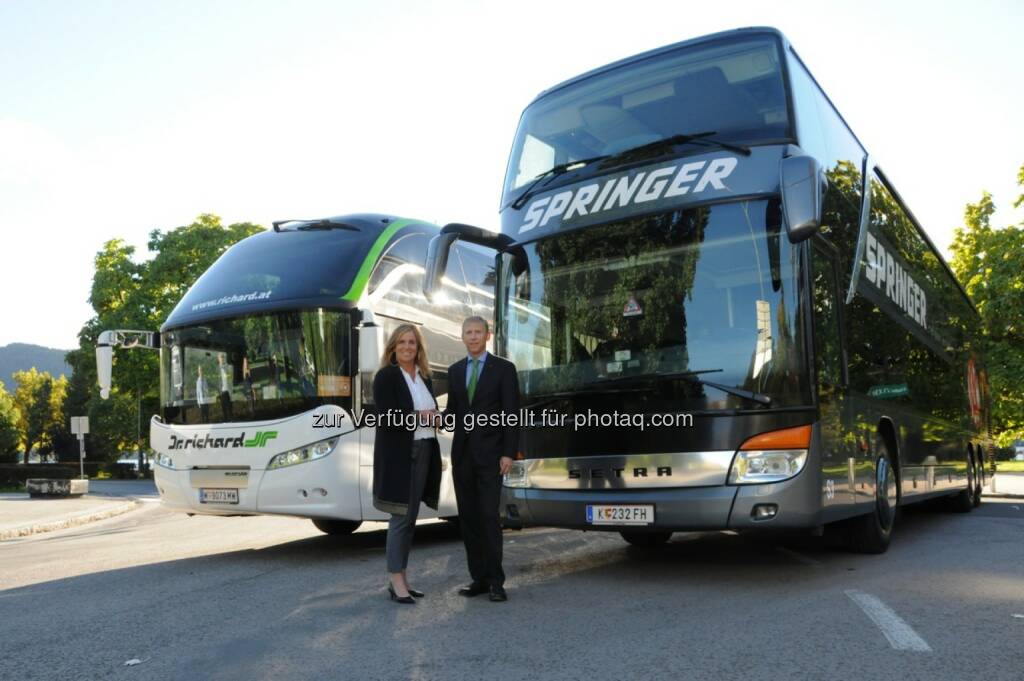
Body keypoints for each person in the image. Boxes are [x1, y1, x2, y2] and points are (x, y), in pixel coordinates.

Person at [445, 316, 520, 602]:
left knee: (489, 518)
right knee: (469, 519)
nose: (473, 337)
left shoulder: (503, 369)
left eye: (478, 332)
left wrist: (508, 452)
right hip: (462, 457)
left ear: (487, 335)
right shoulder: (454, 372)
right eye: (468, 332)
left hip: (492, 456)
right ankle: (478, 578)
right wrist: (433, 416)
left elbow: (512, 413)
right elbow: (453, 413)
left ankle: (496, 582)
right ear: (462, 337)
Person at [372, 324, 443, 605]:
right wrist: (421, 417)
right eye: (401, 342)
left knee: (411, 518)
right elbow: (388, 418)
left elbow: (432, 412)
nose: (407, 347)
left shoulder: (424, 377)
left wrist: (436, 417)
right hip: (401, 455)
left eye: (412, 342)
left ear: (418, 348)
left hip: (425, 449)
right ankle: (395, 580)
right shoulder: (386, 377)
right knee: (401, 518)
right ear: (393, 347)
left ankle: (402, 576)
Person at [217, 353, 233, 419]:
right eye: (221, 357)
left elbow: (231, 378)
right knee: (224, 408)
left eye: (223, 357)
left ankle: (231, 420)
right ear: (218, 359)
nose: (222, 358)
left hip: (228, 390)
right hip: (221, 391)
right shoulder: (216, 368)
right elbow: (216, 381)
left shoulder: (229, 367)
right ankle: (226, 420)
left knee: (230, 408)